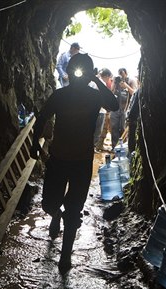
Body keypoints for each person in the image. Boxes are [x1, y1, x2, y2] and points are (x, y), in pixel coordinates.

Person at [31, 53, 119, 271]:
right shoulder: (60, 95)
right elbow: (42, 117)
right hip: (58, 158)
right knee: (49, 204)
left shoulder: (94, 96)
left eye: (83, 71)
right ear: (69, 72)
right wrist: (34, 143)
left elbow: (114, 105)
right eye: (76, 70)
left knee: (74, 211)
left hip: (81, 161)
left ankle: (65, 257)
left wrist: (96, 79)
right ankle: (56, 215)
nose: (77, 74)